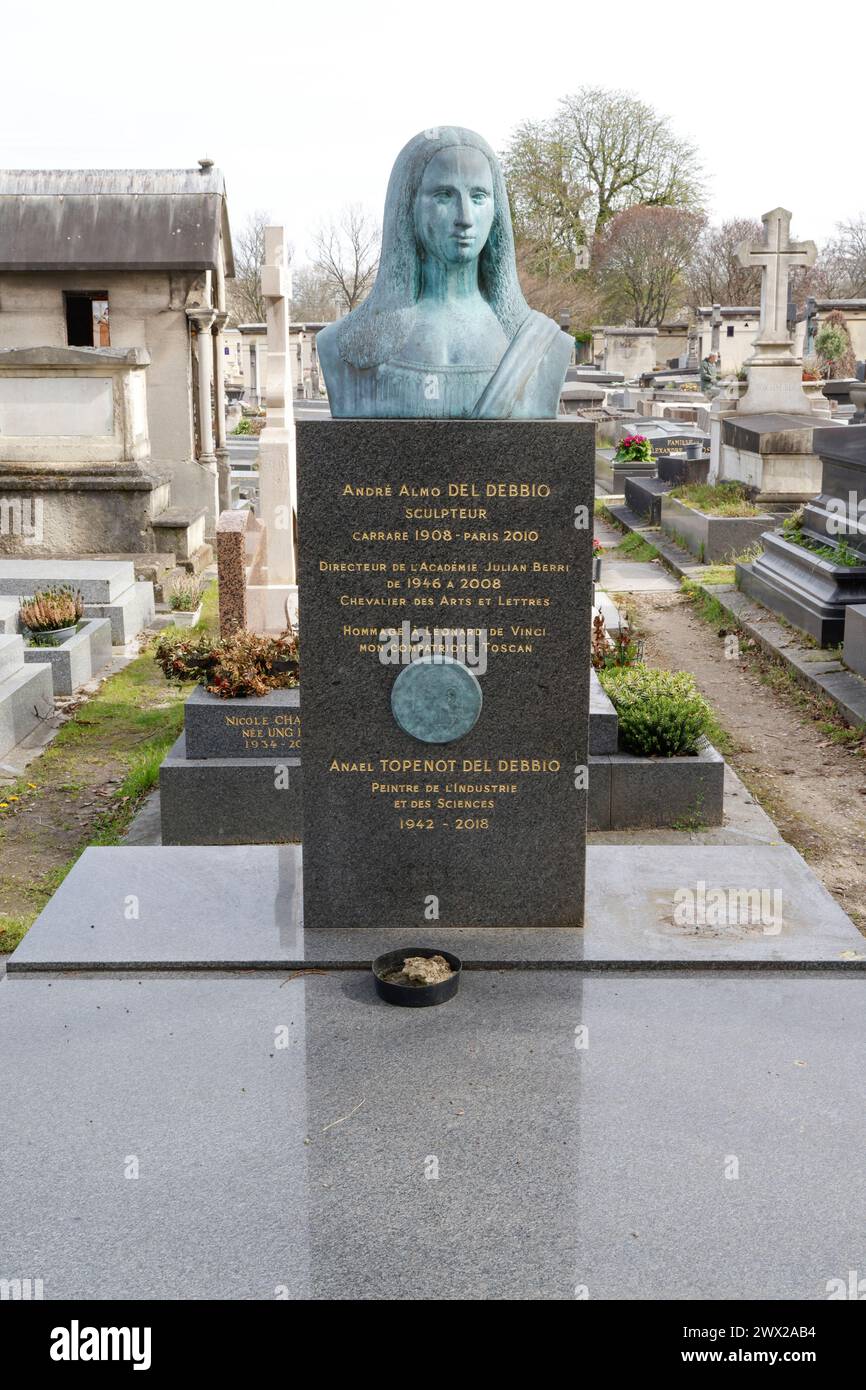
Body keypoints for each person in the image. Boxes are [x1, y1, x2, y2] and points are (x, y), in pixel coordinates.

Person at [317, 126, 573, 419]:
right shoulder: (340, 348)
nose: (464, 217)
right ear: (408, 206)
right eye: (443, 195)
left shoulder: (543, 345)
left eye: (478, 197)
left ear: (496, 208)